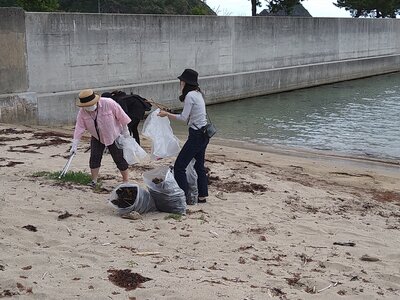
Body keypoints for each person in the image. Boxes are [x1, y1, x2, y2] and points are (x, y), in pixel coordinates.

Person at [157, 69, 209, 204]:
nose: (180, 83)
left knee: (180, 166)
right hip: (204, 134)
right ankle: (202, 196)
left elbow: (184, 118)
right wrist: (171, 112)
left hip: (196, 135)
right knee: (199, 166)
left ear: (185, 82)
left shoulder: (190, 96)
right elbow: (192, 116)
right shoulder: (198, 94)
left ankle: (182, 196)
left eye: (181, 81)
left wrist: (166, 114)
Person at [70, 89, 132, 187]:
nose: (88, 107)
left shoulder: (109, 103)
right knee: (94, 157)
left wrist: (126, 133)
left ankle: (125, 180)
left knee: (119, 158)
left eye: (90, 104)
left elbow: (122, 117)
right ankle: (94, 180)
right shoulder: (82, 112)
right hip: (97, 136)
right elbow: (79, 127)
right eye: (85, 106)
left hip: (113, 135)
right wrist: (75, 144)